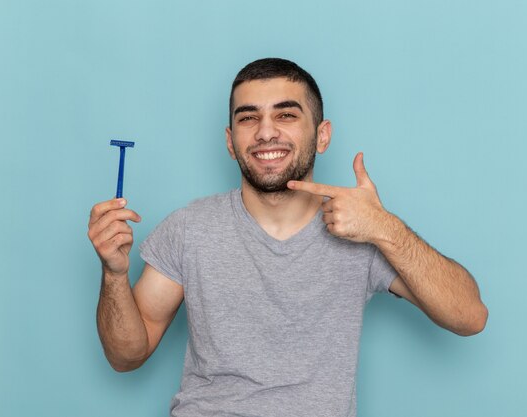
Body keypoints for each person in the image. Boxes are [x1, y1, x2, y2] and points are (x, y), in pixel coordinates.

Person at [88, 58, 488, 417]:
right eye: (248, 118)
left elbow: (469, 317)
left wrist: (385, 228)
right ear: (230, 142)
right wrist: (114, 273)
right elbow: (126, 356)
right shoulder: (189, 228)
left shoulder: (361, 230)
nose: (265, 133)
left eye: (286, 115)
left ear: (323, 135)